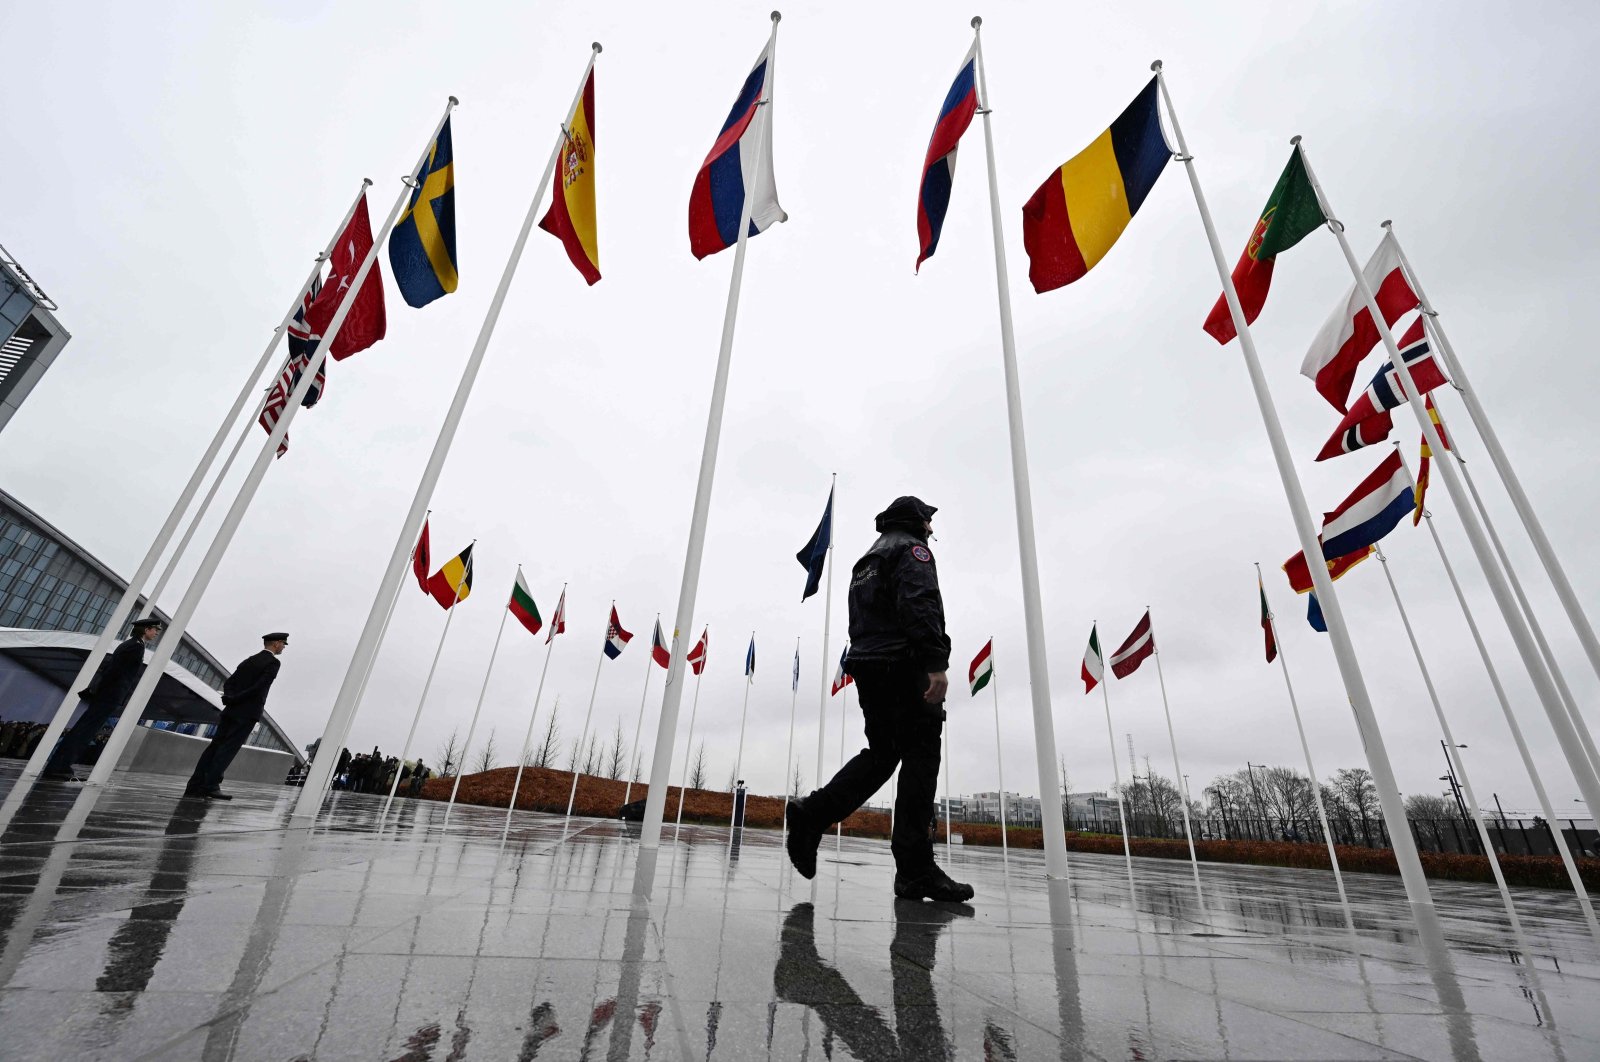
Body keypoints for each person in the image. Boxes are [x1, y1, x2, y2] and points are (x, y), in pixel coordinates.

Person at [785, 496, 975, 903]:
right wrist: (935, 662)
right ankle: (914, 870)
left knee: (883, 753)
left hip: (870, 666)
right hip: (905, 666)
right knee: (921, 760)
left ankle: (812, 814)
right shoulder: (912, 551)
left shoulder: (867, 559)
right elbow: (919, 604)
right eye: (929, 523)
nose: (931, 531)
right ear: (919, 522)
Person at [40, 617, 164, 779]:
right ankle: (59, 767)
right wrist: (108, 693)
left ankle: (60, 766)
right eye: (155, 630)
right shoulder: (135, 647)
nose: (156, 634)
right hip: (109, 695)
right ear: (146, 629)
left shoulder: (131, 645)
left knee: (85, 730)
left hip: (107, 694)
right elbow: (115, 672)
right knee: (84, 731)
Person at [184, 632, 287, 800]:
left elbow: (230, 682)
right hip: (247, 712)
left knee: (215, 746)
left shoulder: (249, 660)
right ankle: (210, 785)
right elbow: (260, 687)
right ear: (276, 643)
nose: (283, 647)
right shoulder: (273, 663)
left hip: (231, 710)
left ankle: (195, 785)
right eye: (283, 643)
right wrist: (237, 699)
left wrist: (230, 698)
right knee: (228, 749)